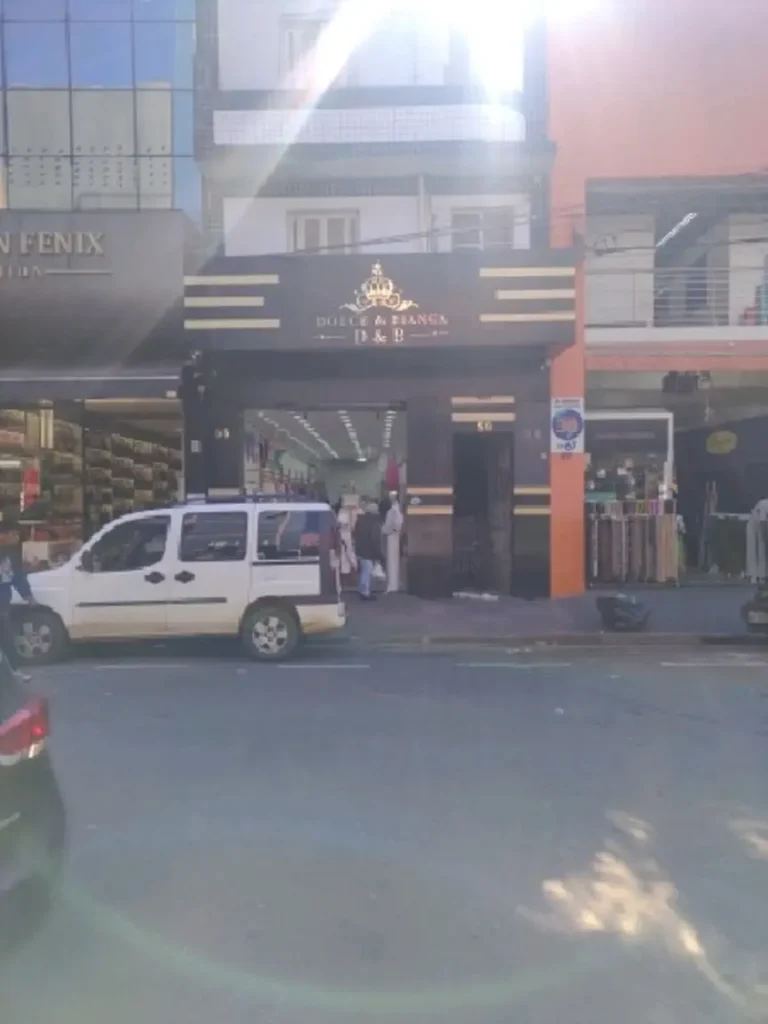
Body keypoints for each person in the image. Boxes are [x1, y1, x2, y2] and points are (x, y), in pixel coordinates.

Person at [0, 532, 36, 682]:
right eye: (13, 534)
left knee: (7, 638)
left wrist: (28, 596)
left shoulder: (12, 555)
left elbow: (17, 577)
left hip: (3, 605)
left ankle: (14, 670)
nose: (16, 538)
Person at [353, 499, 382, 600]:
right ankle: (365, 592)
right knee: (367, 571)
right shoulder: (374, 522)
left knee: (364, 570)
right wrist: (378, 553)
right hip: (368, 550)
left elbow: (355, 533)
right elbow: (375, 538)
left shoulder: (360, 520)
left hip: (360, 548)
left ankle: (362, 589)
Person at [382, 490, 404, 593]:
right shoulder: (396, 509)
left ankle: (393, 585)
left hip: (392, 536)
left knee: (392, 562)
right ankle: (393, 584)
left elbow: (395, 524)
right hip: (394, 535)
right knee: (393, 561)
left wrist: (384, 530)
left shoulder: (394, 510)